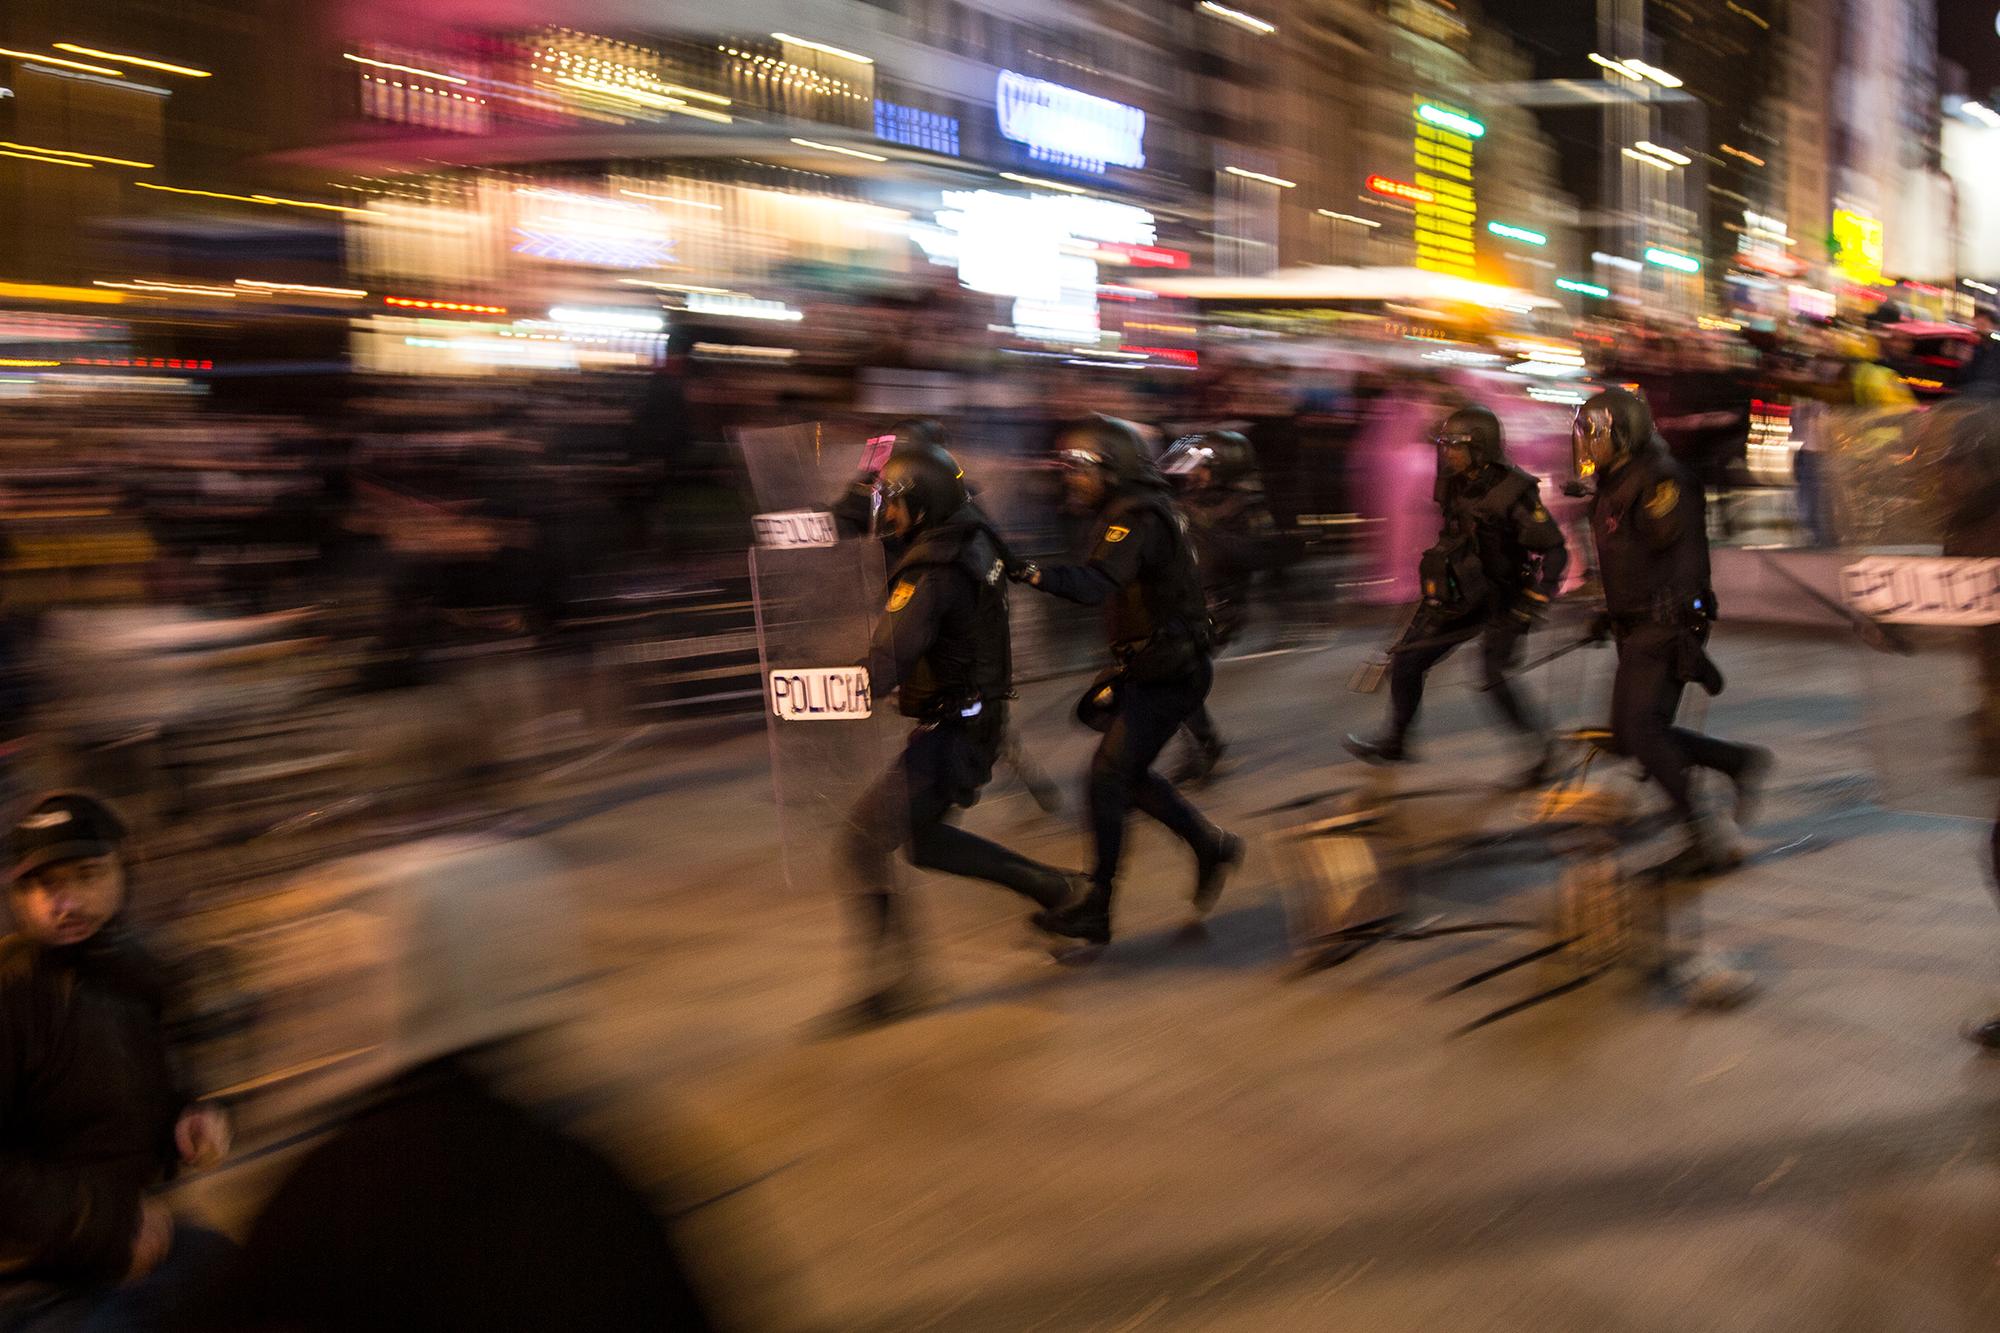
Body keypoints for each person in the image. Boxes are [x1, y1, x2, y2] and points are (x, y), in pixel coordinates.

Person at [836, 434, 1082, 1026]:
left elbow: (890, 658)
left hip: (957, 729)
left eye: (894, 501)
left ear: (921, 502)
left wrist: (822, 693)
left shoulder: (934, 570)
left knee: (862, 841)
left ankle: (896, 985)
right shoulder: (971, 532)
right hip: (968, 720)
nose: (887, 514)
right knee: (920, 841)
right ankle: (1054, 890)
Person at [0, 792, 237, 1331]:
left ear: (123, 873)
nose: (65, 903)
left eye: (86, 875)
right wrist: (108, 1224)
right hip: (32, 1280)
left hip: (133, 1253)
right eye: (45, 885)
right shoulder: (10, 995)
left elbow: (168, 1083)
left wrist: (197, 1113)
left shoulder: (140, 974)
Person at [1009, 417, 1244, 949]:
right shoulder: (1134, 509)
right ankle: (1210, 845)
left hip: (1169, 673)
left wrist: (1029, 572)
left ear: (1112, 466)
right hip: (1154, 667)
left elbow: (1096, 583)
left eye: (1079, 467)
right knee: (1127, 776)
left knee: (1107, 779)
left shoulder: (1136, 516)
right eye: (1065, 466)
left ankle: (1098, 906)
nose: (1070, 478)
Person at [1571, 389, 1772, 876]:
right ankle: (1736, 763)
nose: (1587, 446)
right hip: (1638, 623)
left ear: (1624, 434)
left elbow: (1684, 560)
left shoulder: (1660, 481)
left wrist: (1678, 619)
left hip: (1666, 625)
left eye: (1595, 435)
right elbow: (1630, 559)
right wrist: (1608, 609)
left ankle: (1702, 835)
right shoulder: (1615, 483)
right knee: (1631, 732)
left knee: (1641, 729)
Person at [1345, 405, 1569, 787]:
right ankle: (1397, 741)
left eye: (1455, 445)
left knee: (1492, 676)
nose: (1445, 452)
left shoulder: (1513, 492)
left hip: (1503, 599)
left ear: (1480, 448)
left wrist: (1535, 601)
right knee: (1407, 661)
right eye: (1444, 444)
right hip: (1459, 594)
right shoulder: (1453, 481)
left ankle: (1543, 751)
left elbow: (1554, 549)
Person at [1160, 430, 1275, 783]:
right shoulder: (1191, 499)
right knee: (1172, 678)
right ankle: (1206, 744)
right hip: (1186, 603)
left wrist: (1201, 527)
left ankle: (1204, 746)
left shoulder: (1246, 507)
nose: (1195, 474)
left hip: (1220, 610)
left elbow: (1252, 556)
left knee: (1172, 676)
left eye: (1204, 468)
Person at [1961, 310, 2000, 399]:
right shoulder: (1969, 346)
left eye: (1983, 324)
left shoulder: (1996, 347)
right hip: (1970, 392)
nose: (1979, 327)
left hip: (1991, 395)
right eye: (1977, 324)